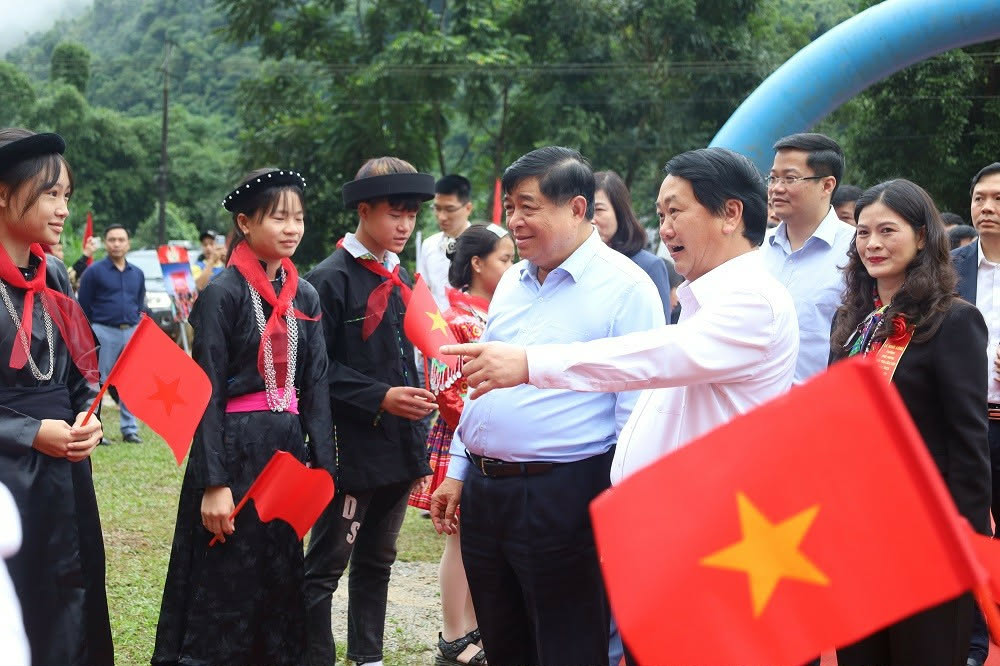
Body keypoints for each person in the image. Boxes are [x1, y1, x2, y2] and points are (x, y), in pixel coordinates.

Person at [430, 146, 663, 666]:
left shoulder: (627, 288)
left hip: (565, 492)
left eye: (528, 207)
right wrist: (459, 471)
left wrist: (623, 511)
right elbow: (482, 382)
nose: (514, 220)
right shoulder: (513, 281)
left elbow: (636, 410)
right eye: (511, 207)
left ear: (577, 208)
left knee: (567, 643)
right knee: (503, 638)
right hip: (488, 492)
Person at [152, 168, 335, 666]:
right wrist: (214, 482)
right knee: (226, 576)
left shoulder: (306, 296)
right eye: (278, 217)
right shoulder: (223, 293)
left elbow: (316, 388)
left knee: (279, 574)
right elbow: (205, 393)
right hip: (234, 453)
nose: (292, 228)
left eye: (298, 217)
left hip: (285, 454)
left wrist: (323, 473)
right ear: (245, 223)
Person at [830, 179, 989, 666]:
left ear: (922, 237)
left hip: (926, 536)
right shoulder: (852, 321)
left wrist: (966, 540)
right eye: (863, 232)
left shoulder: (953, 320)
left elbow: (968, 441)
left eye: (887, 231)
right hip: (857, 530)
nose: (872, 244)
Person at [303, 157, 437, 666]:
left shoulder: (402, 278)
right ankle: (315, 656)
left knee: (379, 560)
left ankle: (369, 657)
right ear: (363, 211)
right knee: (326, 564)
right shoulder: (328, 280)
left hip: (400, 445)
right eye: (394, 214)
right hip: (351, 448)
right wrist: (379, 396)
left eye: (412, 215)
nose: (405, 225)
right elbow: (314, 369)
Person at [0, 128, 112, 665]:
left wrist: (88, 415)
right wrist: (28, 432)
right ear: (3, 194)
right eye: (50, 194)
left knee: (75, 597)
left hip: (66, 472)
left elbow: (81, 371)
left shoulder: (57, 277)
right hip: (8, 477)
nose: (63, 208)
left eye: (66, 194)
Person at [408, 223, 513, 666]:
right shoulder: (453, 321)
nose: (512, 267)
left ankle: (472, 628)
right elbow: (448, 391)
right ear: (477, 263)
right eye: (505, 259)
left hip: (487, 439)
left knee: (478, 539)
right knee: (460, 538)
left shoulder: (496, 314)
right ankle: (454, 636)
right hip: (463, 440)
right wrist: (479, 427)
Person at [953, 162, 1000, 666]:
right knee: (966, 535)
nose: (986, 208)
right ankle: (971, 644)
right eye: (980, 198)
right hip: (964, 423)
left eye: (999, 199)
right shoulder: (949, 267)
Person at [761, 132, 855, 383]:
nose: (776, 188)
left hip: (821, 400)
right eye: (773, 178)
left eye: (790, 178)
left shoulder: (856, 251)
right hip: (754, 401)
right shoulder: (756, 248)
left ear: (827, 185)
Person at [77, 223, 146, 443]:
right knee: (97, 381)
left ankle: (129, 429)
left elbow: (140, 304)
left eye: (121, 240)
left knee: (130, 381)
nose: (117, 244)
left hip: (131, 331)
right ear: (105, 243)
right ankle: (95, 429)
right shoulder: (93, 272)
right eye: (112, 240)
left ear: (128, 244)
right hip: (103, 331)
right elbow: (83, 306)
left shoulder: (138, 273)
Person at [593, 170, 673, 320]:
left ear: (619, 213)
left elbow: (660, 328)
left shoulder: (649, 266)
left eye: (598, 210)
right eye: (586, 210)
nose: (591, 219)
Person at [421, 174, 474, 311]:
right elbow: (424, 290)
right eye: (437, 208)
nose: (441, 217)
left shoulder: (483, 245)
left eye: (450, 209)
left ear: (468, 208)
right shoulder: (428, 245)